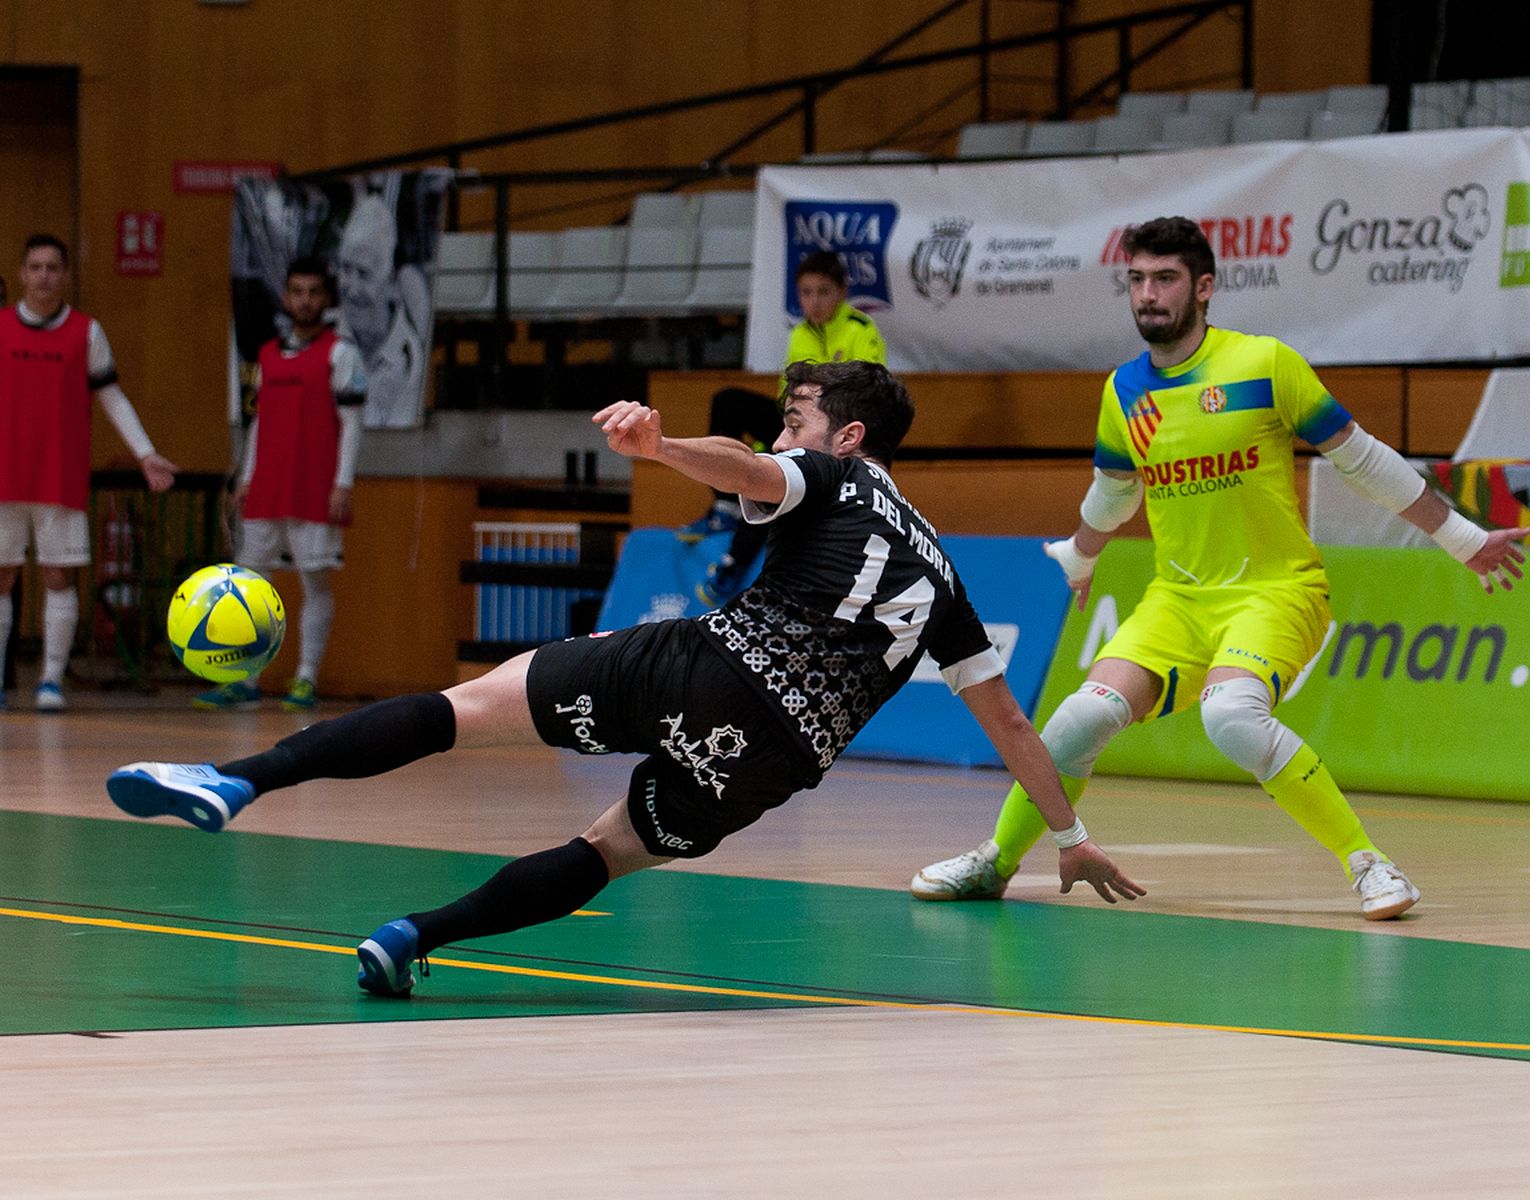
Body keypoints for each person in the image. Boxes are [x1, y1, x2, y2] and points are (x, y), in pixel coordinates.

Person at [105, 360, 1144, 997]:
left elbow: (748, 470)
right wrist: (1068, 837)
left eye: (797, 414)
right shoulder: (947, 578)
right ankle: (411, 939)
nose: (787, 430)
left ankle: (235, 784)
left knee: (464, 710)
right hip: (771, 763)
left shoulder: (832, 474)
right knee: (602, 852)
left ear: (850, 435)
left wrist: (659, 449)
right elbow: (1011, 723)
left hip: (707, 666)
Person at [912, 216, 1529, 920]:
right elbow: (1115, 494)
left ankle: (1371, 864)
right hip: (1177, 600)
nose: (1148, 294)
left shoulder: (1265, 365)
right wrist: (1080, 556)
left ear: (1203, 287)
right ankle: (995, 863)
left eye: (1164, 278)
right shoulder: (1123, 392)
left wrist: (1460, 537)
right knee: (1077, 722)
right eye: (1137, 279)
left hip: (1277, 590)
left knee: (1233, 716)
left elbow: (1362, 461)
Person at [0, 233, 178, 712]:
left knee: (58, 576)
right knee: (2, 576)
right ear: (21, 274)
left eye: (53, 267)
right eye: (35, 267)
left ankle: (50, 681)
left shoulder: (86, 331)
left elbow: (111, 396)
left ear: (65, 274)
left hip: (58, 475)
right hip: (4, 477)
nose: (43, 276)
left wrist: (146, 453)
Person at [198, 257, 367, 712]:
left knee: (314, 581)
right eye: (297, 291)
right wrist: (247, 476)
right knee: (248, 585)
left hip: (314, 485)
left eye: (314, 292)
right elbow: (258, 424)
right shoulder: (268, 355)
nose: (305, 300)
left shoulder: (341, 353)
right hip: (267, 486)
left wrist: (343, 482)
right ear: (286, 297)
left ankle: (305, 678)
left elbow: (351, 425)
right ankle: (244, 679)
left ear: (326, 299)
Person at [679, 249, 887, 607]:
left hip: (834, 434)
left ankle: (733, 565)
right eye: (806, 293)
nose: (814, 301)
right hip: (799, 424)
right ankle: (727, 507)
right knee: (728, 401)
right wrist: (781, 434)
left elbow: (866, 395)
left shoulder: (860, 331)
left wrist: (802, 433)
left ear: (841, 292)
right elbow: (786, 396)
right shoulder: (800, 335)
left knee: (767, 473)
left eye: (823, 292)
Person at [335, 194, 423, 429]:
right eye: (344, 268)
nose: (350, 288)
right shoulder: (319, 340)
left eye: (364, 274)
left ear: (393, 284)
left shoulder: (411, 360)